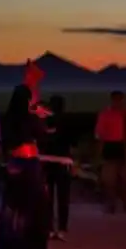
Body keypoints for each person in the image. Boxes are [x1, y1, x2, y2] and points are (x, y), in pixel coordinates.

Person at [0, 84, 51, 249]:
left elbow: (6, 142)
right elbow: (41, 134)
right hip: (28, 165)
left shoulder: (7, 118)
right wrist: (40, 116)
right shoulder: (28, 117)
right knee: (35, 206)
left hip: (13, 164)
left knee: (13, 207)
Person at [95, 91, 126, 213]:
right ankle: (111, 204)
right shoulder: (105, 114)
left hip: (125, 146)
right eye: (116, 100)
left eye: (120, 100)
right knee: (109, 180)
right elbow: (100, 134)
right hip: (110, 146)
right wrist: (100, 150)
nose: (118, 102)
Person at [41, 95, 73, 240]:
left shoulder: (45, 121)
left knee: (49, 197)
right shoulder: (66, 121)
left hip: (49, 162)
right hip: (62, 162)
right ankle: (61, 228)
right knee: (62, 197)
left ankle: (50, 228)